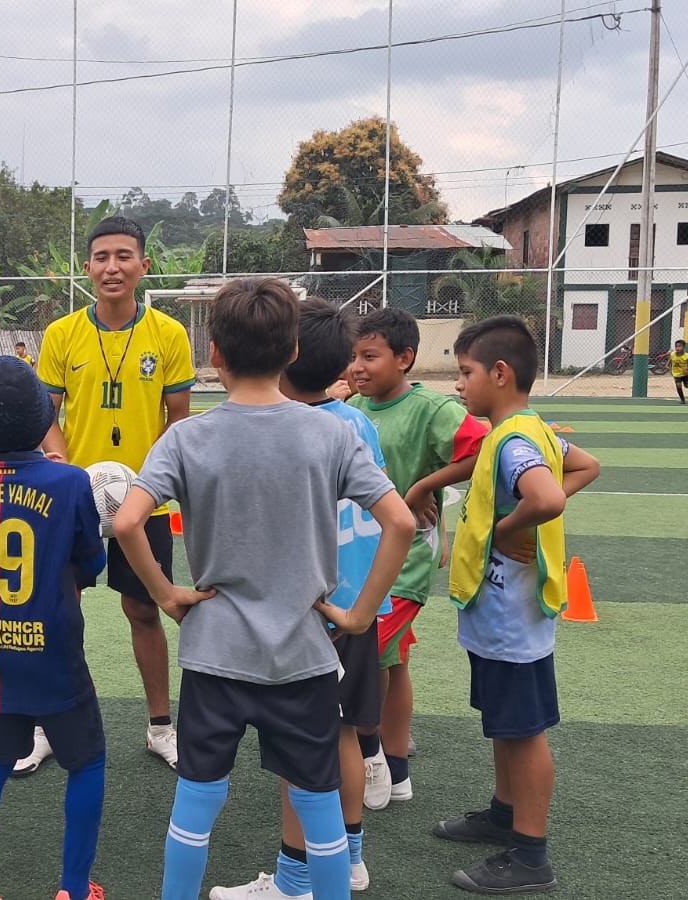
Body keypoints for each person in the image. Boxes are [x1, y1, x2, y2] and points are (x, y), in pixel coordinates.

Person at [114, 277, 415, 900]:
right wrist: (359, 615)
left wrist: (166, 594)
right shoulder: (333, 433)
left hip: (214, 656)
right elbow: (401, 523)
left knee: (196, 804)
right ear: (293, 351)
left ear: (214, 352)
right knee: (318, 804)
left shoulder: (185, 437)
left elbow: (125, 522)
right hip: (303, 656)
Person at [214, 300, 391, 898]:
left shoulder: (294, 430)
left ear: (284, 360)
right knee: (342, 735)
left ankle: (296, 879)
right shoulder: (357, 423)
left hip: (313, 608)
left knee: (305, 747)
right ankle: (350, 857)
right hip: (359, 603)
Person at [437, 315, 600, 895]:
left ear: (500, 374)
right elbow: (586, 466)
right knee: (506, 723)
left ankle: (531, 856)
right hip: (499, 613)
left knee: (524, 731)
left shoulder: (512, 440)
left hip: (511, 618)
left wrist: (509, 527)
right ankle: (504, 814)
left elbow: (548, 497)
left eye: (466, 373)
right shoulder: (529, 430)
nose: (459, 385)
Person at [35, 216, 196, 774]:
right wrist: (64, 467)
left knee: (144, 609)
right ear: (87, 268)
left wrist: (149, 484)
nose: (112, 267)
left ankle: (161, 728)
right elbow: (46, 416)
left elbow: (178, 420)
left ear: (144, 266)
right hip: (73, 498)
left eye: (124, 256)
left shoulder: (169, 334)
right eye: (102, 257)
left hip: (145, 498)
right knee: (60, 610)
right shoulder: (61, 334)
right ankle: (47, 727)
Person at [0, 356, 110, 900]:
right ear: (44, 418)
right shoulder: (69, 481)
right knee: (87, 761)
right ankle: (74, 889)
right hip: (52, 650)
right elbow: (91, 563)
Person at [347, 307, 487, 806]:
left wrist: (426, 485)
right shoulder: (353, 408)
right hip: (361, 557)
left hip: (405, 560)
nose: (357, 367)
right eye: (353, 357)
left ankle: (369, 755)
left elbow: (482, 448)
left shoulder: (431, 408)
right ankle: (396, 767)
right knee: (393, 659)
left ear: (404, 358)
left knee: (368, 654)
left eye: (370, 356)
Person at [669, 339, 688, 404]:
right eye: (676, 346)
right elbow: (670, 362)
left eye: (679, 346)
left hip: (684, 373)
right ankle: (682, 399)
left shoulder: (686, 356)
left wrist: (687, 369)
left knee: (686, 385)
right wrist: (670, 369)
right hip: (676, 373)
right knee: (678, 385)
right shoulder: (672, 354)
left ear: (684, 347)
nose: (677, 348)